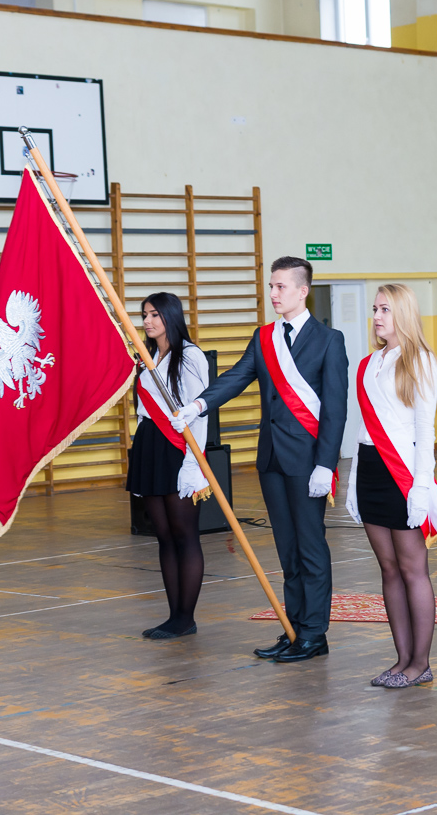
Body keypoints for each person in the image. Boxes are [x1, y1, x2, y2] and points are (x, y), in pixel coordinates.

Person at [172, 256, 348, 662]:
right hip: (271, 459)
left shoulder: (329, 340)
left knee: (310, 548)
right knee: (287, 549)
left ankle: (314, 634)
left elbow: (336, 409)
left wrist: (326, 464)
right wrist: (198, 405)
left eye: (281, 286)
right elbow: (237, 377)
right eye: (271, 286)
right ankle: (294, 628)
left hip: (308, 462)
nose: (273, 294)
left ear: (303, 291)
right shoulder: (264, 337)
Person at [346, 284, 437, 689]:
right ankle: (402, 659)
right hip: (370, 470)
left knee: (412, 569)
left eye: (385, 309)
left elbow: (425, 430)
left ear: (403, 313)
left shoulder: (420, 361)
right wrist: (353, 484)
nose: (377, 317)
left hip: (403, 474)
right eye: (375, 309)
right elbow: (365, 429)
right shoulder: (368, 364)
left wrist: (420, 488)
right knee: (388, 569)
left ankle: (421, 663)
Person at [126, 292, 211, 640]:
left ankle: (185, 617)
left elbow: (200, 414)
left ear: (171, 317)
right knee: (163, 537)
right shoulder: (148, 357)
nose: (147, 321)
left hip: (178, 449)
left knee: (184, 535)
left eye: (155, 315)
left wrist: (194, 464)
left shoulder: (190, 356)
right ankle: (173, 615)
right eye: (145, 315)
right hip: (150, 445)